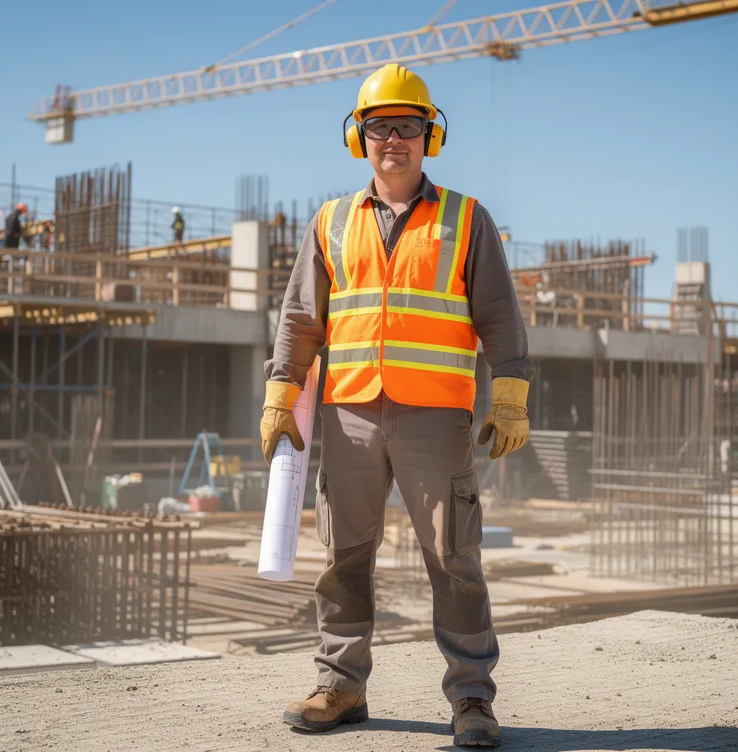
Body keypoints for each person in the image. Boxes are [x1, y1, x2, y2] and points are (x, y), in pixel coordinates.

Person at [260, 62, 531, 749]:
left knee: (455, 559)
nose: (394, 141)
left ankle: (472, 699)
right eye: (380, 128)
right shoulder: (330, 222)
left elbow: (499, 315)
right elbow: (300, 319)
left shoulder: (467, 220)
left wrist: (510, 391)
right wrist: (280, 392)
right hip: (350, 414)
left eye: (408, 128)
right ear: (360, 139)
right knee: (344, 557)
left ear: (429, 137)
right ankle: (340, 683)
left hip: (436, 416)